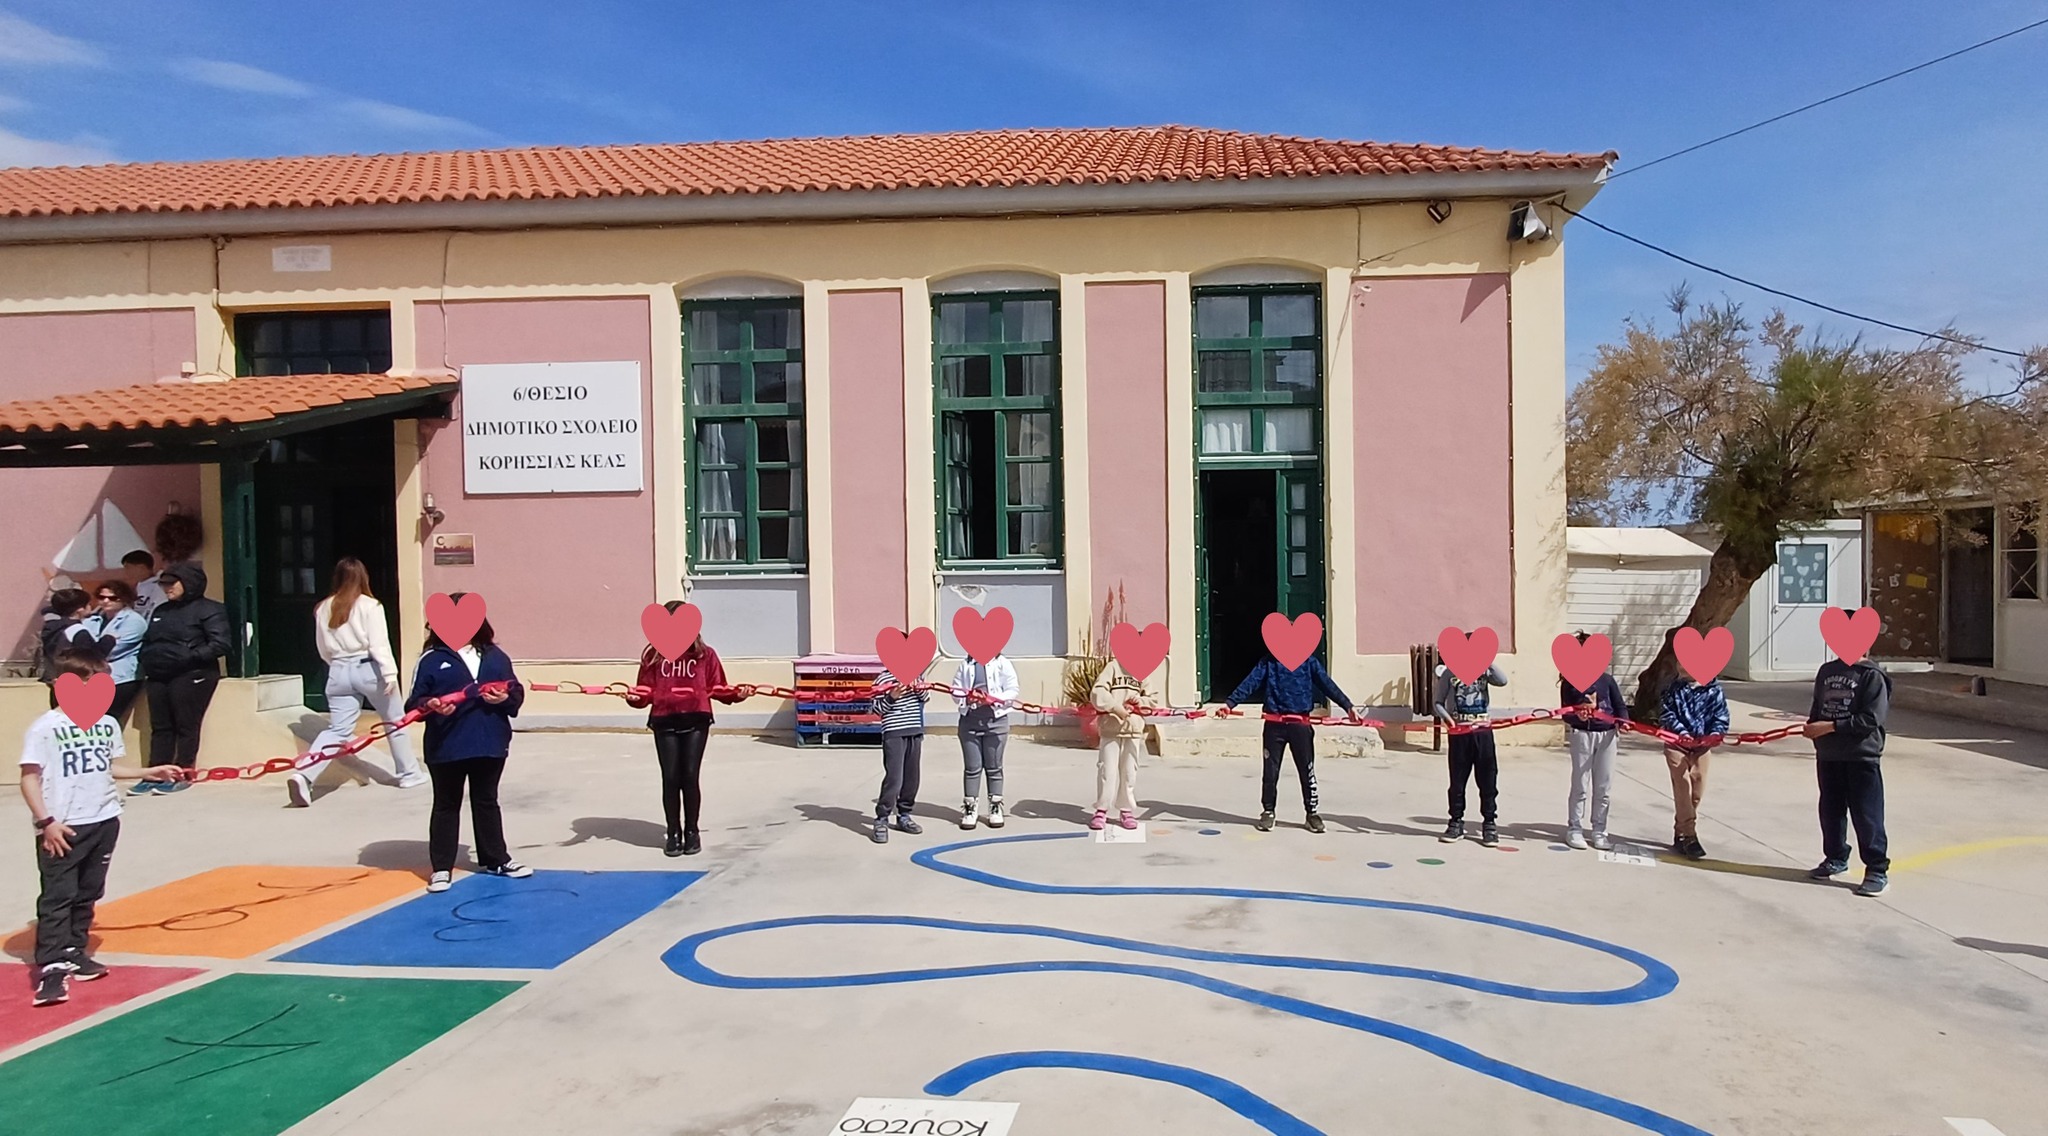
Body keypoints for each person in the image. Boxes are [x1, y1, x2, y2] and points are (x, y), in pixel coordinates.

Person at [19, 649, 184, 1006]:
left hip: (104, 819)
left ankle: (74, 950)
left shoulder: (106, 724)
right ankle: (52, 966)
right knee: (58, 896)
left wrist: (149, 772)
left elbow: (107, 767)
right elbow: (29, 778)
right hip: (63, 826)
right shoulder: (45, 728)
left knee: (88, 892)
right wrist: (46, 821)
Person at [405, 597, 529, 893]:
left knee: (486, 800)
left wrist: (505, 698)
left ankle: (496, 859)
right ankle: (441, 868)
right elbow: (414, 703)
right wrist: (431, 705)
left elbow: (515, 691)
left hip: (489, 741)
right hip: (446, 744)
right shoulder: (431, 659)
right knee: (446, 803)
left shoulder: (495, 656)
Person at [290, 558, 426, 808]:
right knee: (394, 721)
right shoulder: (370, 605)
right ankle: (409, 773)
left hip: (338, 669)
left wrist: (338, 665)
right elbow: (379, 643)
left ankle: (305, 774)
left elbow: (322, 648)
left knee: (337, 730)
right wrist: (390, 674)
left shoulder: (323, 607)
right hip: (368, 668)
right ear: (363, 577)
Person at [626, 604, 743, 857]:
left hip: (696, 719)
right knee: (670, 777)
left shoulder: (705, 655)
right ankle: (673, 832)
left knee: (689, 776)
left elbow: (718, 688)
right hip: (664, 720)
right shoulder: (653, 657)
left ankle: (692, 831)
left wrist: (738, 695)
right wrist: (633, 699)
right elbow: (644, 692)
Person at [1222, 649, 1357, 833]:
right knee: (1270, 772)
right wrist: (1230, 703)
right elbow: (1251, 681)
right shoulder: (1268, 662)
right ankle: (1268, 811)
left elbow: (1327, 684)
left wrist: (1347, 706)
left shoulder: (1309, 662)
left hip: (1300, 726)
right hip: (1274, 725)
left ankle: (1312, 813)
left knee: (1306, 770)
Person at [134, 563, 229, 795]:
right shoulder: (162, 610)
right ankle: (156, 773)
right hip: (159, 675)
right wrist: (149, 658)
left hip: (192, 674)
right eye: (163, 584)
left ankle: (183, 772)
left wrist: (189, 657)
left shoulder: (210, 609)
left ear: (189, 583)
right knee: (161, 727)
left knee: (186, 725)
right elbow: (150, 640)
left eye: (172, 584)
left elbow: (220, 643)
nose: (167, 588)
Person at [1804, 655, 1892, 896]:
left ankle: (1877, 869)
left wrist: (1830, 727)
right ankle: (1835, 857)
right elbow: (1818, 707)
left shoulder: (1871, 675)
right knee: (1830, 810)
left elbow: (1871, 718)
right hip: (1829, 754)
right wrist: (1814, 729)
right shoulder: (1826, 671)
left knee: (1866, 814)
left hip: (1861, 756)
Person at [1559, 633, 1629, 851]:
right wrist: (1576, 718)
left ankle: (1599, 830)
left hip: (1607, 735)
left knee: (1603, 785)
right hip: (1582, 735)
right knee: (1580, 783)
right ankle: (1575, 828)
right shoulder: (1569, 682)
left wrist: (1623, 721)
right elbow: (1565, 712)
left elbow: (1619, 705)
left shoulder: (1607, 680)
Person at [1434, 660, 1509, 845]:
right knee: (1457, 782)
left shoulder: (1484, 670)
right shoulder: (1449, 673)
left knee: (1488, 780)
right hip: (1459, 734)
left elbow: (1502, 680)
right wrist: (1447, 719)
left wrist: (1488, 661)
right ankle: (1455, 822)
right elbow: (1437, 702)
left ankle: (1489, 823)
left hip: (1483, 733)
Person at [1658, 673, 1729, 860]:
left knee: (1697, 790)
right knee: (1683, 786)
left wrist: (1715, 734)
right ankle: (1690, 836)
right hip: (1676, 744)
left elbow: (1721, 716)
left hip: (1702, 746)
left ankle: (1680, 831)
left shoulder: (1714, 690)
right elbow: (1666, 713)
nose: (1681, 667)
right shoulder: (1673, 689)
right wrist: (1681, 732)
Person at [952, 650, 1018, 830]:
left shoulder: (1002, 663)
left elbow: (1012, 689)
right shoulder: (966, 664)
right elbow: (955, 690)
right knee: (972, 768)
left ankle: (995, 807)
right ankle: (970, 808)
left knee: (994, 767)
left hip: (996, 723)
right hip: (970, 722)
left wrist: (991, 699)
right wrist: (967, 698)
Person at [1089, 660, 1157, 831]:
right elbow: (1098, 691)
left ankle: (1126, 809)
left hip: (1133, 729)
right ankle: (1101, 809)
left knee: (1129, 772)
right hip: (1110, 728)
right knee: (1107, 771)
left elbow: (1153, 699)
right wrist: (1115, 707)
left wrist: (1140, 701)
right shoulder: (1112, 667)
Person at [869, 669, 929, 844]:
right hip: (894, 733)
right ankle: (881, 819)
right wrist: (891, 696)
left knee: (912, 778)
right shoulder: (883, 679)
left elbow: (926, 697)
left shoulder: (916, 675)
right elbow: (876, 709)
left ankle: (904, 815)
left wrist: (918, 688)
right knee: (894, 778)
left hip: (914, 730)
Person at [83, 580, 149, 728]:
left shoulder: (134, 621)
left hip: (121, 678)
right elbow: (79, 647)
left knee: (108, 721)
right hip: (94, 677)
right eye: (102, 597)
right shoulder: (93, 620)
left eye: (113, 598)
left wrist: (91, 650)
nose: (106, 601)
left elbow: (111, 651)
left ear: (124, 598)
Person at [39, 588, 109, 708]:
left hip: (56, 679)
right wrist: (108, 641)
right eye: (88, 604)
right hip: (76, 683)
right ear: (80, 610)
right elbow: (90, 656)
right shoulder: (78, 631)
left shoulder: (53, 627)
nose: (90, 607)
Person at [121, 550, 166, 619]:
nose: (126, 572)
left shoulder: (159, 587)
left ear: (141, 568)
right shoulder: (139, 586)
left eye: (128, 568)